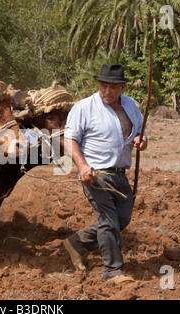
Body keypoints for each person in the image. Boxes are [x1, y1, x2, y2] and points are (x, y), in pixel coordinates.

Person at [63, 64, 148, 284]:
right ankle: (113, 272)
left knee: (122, 219)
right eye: (102, 86)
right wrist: (82, 167)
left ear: (122, 87)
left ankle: (77, 243)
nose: (106, 91)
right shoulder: (84, 107)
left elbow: (140, 130)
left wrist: (142, 140)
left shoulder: (131, 105)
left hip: (120, 173)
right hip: (96, 174)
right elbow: (69, 139)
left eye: (112, 87)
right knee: (109, 221)